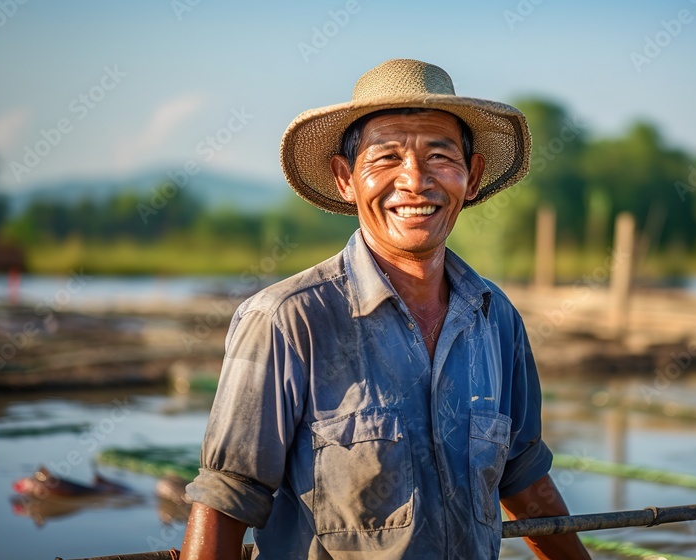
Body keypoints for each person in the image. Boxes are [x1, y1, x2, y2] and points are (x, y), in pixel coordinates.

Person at [180, 59, 590, 560]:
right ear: (344, 179)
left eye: (440, 156)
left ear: (473, 176)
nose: (415, 181)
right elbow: (226, 500)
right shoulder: (287, 321)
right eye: (387, 158)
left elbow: (524, 480)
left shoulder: (495, 318)